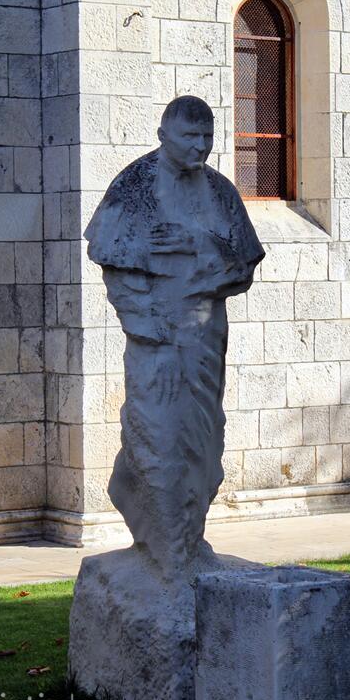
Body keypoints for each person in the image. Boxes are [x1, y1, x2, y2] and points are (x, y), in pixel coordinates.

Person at [84, 95, 265, 578]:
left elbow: (244, 264)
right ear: (164, 134)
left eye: (207, 137)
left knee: (203, 440)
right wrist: (149, 329)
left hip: (205, 336)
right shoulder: (135, 187)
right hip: (156, 340)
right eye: (190, 136)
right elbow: (111, 260)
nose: (201, 146)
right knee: (156, 435)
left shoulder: (220, 192)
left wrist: (199, 242)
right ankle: (164, 547)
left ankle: (188, 540)